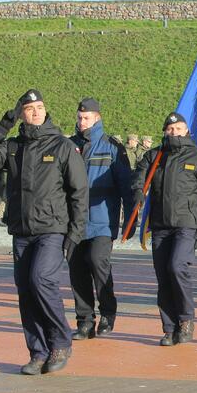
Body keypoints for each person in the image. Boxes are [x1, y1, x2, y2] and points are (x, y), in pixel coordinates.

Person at [0, 89, 88, 375]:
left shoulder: (61, 146)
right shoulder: (14, 147)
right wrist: (4, 124)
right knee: (26, 290)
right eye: (28, 108)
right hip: (22, 231)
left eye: (39, 107)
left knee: (41, 280)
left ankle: (60, 342)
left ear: (45, 111)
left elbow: (79, 192)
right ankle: (38, 352)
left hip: (52, 229)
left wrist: (75, 233)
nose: (35, 112)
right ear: (21, 113)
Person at [133, 112, 197, 346]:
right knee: (163, 275)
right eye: (170, 130)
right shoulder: (155, 156)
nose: (174, 133)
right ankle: (169, 328)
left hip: (186, 224)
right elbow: (139, 174)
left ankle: (186, 319)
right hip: (160, 224)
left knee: (176, 267)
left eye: (178, 128)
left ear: (186, 130)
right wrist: (138, 190)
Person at [68, 98, 135, 339]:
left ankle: (107, 313)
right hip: (73, 222)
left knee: (98, 263)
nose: (81, 122)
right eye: (79, 117)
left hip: (102, 220)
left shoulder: (112, 147)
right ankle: (84, 321)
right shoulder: (68, 145)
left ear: (97, 118)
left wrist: (130, 220)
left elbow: (126, 187)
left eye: (86, 118)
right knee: (77, 270)